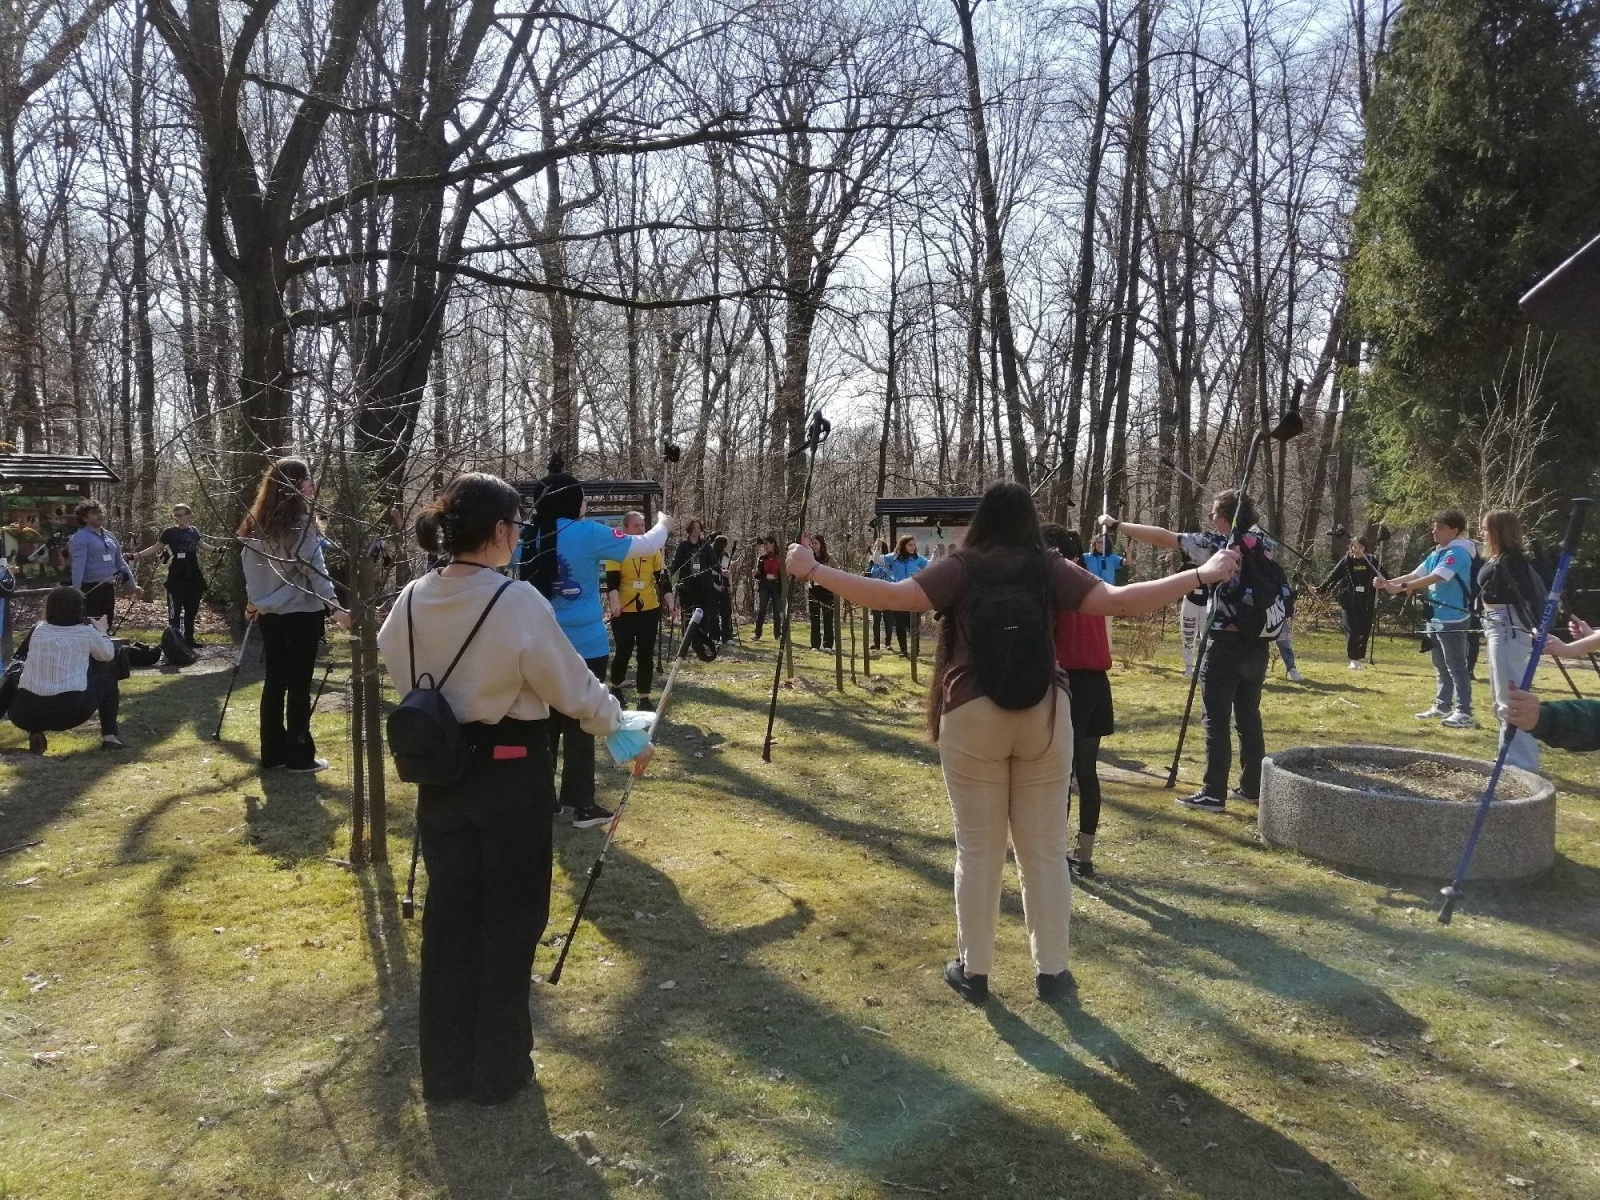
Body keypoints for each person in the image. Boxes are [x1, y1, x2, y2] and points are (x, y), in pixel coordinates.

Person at [786, 482, 1239, 1004]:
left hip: (971, 715)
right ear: (1029, 520)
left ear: (983, 520)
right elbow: (1119, 602)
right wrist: (1201, 574)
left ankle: (974, 972)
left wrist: (814, 570)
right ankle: (1053, 974)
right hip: (1044, 713)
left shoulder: (963, 567)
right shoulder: (1049, 567)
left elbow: (893, 597)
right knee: (1044, 853)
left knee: (978, 851)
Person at [377, 473, 651, 1107]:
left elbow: (397, 662)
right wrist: (618, 725)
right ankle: (498, 1071)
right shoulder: (514, 600)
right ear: (501, 531)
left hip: (441, 770)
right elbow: (572, 686)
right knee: (510, 918)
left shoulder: (413, 596)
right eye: (517, 527)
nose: (520, 536)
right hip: (509, 768)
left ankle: (446, 1070)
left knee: (450, 917)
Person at [1104, 490, 1283, 810]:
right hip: (1256, 643)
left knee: (1215, 718)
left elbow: (1165, 538)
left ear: (1224, 517)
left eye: (1214, 514)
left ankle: (1213, 792)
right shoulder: (1263, 544)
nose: (1211, 519)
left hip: (1224, 642)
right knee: (1248, 715)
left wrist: (1117, 525)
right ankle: (1252, 786)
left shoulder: (1219, 544)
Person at [519, 456, 671, 827]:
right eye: (582, 496)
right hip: (586, 646)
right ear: (572, 501)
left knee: (543, 725)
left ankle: (543, 801)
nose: (586, 502)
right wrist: (664, 521)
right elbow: (646, 544)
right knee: (583, 723)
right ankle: (582, 805)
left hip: (540, 647)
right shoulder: (587, 532)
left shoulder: (528, 535)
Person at [240, 457, 350, 772]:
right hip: (300, 613)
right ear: (294, 485)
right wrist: (335, 607)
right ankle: (299, 757)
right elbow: (315, 569)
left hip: (270, 615)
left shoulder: (256, 523)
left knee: (275, 682)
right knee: (298, 684)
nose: (311, 485)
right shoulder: (301, 524)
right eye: (306, 479)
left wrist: (254, 603)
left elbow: (251, 572)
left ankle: (272, 753)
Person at [1042, 525, 1113, 880]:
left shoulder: (1058, 587)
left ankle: (1056, 853)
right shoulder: (1092, 583)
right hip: (1097, 684)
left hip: (1069, 684)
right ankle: (1084, 855)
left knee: (1060, 773)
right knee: (1086, 772)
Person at [1379, 509, 1477, 729]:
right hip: (1435, 616)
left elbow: (1437, 577)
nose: (1434, 531)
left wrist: (1402, 587)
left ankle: (1464, 712)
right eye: (1434, 527)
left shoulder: (1458, 553)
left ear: (1454, 531)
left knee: (1456, 666)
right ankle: (1443, 705)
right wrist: (1388, 583)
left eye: (1439, 528)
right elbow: (1416, 574)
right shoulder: (1437, 553)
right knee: (1440, 664)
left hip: (1453, 617)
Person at [7, 585, 123, 753]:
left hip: (23, 711)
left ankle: (35, 730)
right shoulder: (86, 632)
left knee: (21, 676)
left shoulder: (38, 630)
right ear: (79, 608)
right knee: (110, 670)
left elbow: (20, 657)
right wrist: (102, 631)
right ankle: (110, 737)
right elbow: (108, 655)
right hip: (69, 711)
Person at [1476, 510, 1547, 773]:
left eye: (1485, 529)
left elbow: (1523, 597)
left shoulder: (1513, 561)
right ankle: (1508, 757)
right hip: (1496, 625)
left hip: (1508, 627)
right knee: (1500, 697)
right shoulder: (1497, 558)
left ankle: (1522, 763)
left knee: (1511, 697)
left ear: (1498, 531)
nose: (1481, 533)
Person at [604, 510, 674, 710]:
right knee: (623, 650)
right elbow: (612, 584)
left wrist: (671, 603)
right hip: (624, 611)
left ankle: (644, 697)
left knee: (645, 653)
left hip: (649, 609)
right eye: (636, 526)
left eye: (642, 525)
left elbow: (663, 581)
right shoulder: (616, 551)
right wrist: (615, 605)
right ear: (625, 528)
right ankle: (616, 689)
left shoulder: (653, 550)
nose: (641, 529)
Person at [135, 502, 206, 647]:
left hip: (193, 575)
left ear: (188, 516)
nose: (177, 518)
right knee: (175, 610)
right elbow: (155, 548)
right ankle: (174, 640)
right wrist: (136, 556)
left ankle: (189, 639)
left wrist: (219, 549)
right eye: (175, 515)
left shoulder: (194, 531)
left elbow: (203, 545)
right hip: (176, 575)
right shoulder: (169, 532)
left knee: (191, 609)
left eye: (180, 515)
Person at [69, 500, 140, 623]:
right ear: (85, 518)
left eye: (100, 512)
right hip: (90, 588)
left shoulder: (109, 536)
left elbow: (120, 563)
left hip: (108, 586)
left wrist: (132, 585)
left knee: (107, 623)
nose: (100, 515)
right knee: (92, 624)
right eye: (94, 513)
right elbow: (78, 565)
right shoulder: (80, 538)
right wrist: (77, 589)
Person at [1318, 535, 1383, 668]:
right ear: (1351, 547)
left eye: (1360, 547)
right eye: (1354, 546)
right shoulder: (1346, 561)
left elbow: (1385, 578)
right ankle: (1353, 659)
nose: (1357, 549)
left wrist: (1399, 589)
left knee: (1363, 631)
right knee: (1352, 629)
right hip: (1349, 602)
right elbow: (1333, 576)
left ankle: (1359, 657)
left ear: (1365, 548)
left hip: (1366, 602)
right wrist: (1320, 589)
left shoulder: (1371, 561)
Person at [875, 536, 928, 656]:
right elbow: (877, 560)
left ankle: (915, 651)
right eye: (910, 545)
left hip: (913, 596)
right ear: (903, 545)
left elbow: (929, 565)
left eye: (913, 545)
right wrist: (877, 548)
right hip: (898, 595)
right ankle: (904, 651)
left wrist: (935, 555)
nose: (912, 547)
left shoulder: (917, 558)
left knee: (914, 625)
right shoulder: (894, 557)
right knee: (900, 625)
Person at [670, 519, 718, 643]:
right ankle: (687, 640)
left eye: (698, 528)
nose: (696, 530)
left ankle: (701, 640)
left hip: (703, 585)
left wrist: (721, 571)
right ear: (689, 529)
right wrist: (669, 576)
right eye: (694, 528)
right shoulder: (683, 545)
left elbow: (713, 561)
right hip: (687, 586)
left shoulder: (705, 545)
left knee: (702, 613)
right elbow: (676, 563)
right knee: (687, 613)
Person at [806, 533, 836, 651]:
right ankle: (815, 645)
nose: (813, 546)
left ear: (821, 544)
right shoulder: (809, 558)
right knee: (814, 618)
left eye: (816, 543)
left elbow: (836, 572)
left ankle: (828, 645)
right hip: (813, 590)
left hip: (827, 590)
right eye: (812, 543)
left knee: (828, 618)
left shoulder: (829, 558)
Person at [752, 537, 783, 640]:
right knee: (762, 609)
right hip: (765, 584)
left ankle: (777, 634)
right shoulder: (762, 558)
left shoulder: (780, 557)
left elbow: (783, 573)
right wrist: (755, 574)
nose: (765, 546)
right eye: (764, 544)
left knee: (776, 611)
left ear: (773, 544)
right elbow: (759, 575)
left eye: (767, 544)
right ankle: (757, 634)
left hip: (776, 584)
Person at [864, 538, 892, 650]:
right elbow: (867, 575)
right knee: (876, 620)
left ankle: (888, 643)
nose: (875, 549)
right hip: (875, 594)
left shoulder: (888, 561)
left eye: (878, 547)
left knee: (888, 620)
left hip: (887, 593)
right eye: (875, 547)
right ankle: (876, 643)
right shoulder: (872, 563)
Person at [711, 534, 736, 646]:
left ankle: (727, 637)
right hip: (713, 586)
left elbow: (728, 571)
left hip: (724, 587)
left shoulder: (726, 556)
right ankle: (714, 636)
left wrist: (730, 586)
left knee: (726, 612)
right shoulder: (711, 556)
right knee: (713, 612)